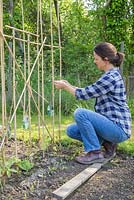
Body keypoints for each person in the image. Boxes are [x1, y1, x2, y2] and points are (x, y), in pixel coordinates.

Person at [54, 42, 132, 165]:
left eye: (96, 59)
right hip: (111, 126)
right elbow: (89, 91)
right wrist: (68, 85)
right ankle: (109, 144)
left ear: (105, 60)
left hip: (118, 129)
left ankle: (94, 153)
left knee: (80, 113)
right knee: (71, 131)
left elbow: (83, 94)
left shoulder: (110, 78)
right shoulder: (110, 75)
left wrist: (64, 86)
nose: (94, 61)